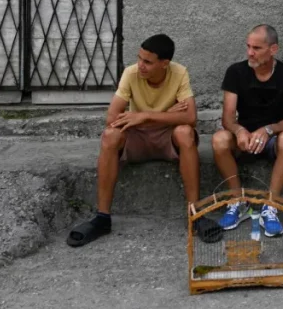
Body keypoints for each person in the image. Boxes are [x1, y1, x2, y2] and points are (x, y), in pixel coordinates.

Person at [67, 34, 210, 247]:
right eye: (139, 58)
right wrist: (166, 115)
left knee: (185, 133)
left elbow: (190, 118)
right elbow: (111, 119)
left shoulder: (179, 73)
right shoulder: (131, 73)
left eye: (148, 62)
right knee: (110, 136)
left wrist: (146, 116)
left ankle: (195, 213)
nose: (140, 65)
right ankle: (102, 217)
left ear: (164, 64)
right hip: (137, 138)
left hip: (166, 138)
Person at [211, 25, 283, 238]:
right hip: (243, 137)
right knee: (219, 139)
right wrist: (239, 130)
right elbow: (227, 118)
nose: (250, 53)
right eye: (248, 47)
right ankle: (237, 200)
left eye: (257, 48)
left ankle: (271, 205)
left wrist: (269, 130)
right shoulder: (236, 72)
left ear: (273, 49)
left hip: (273, 138)